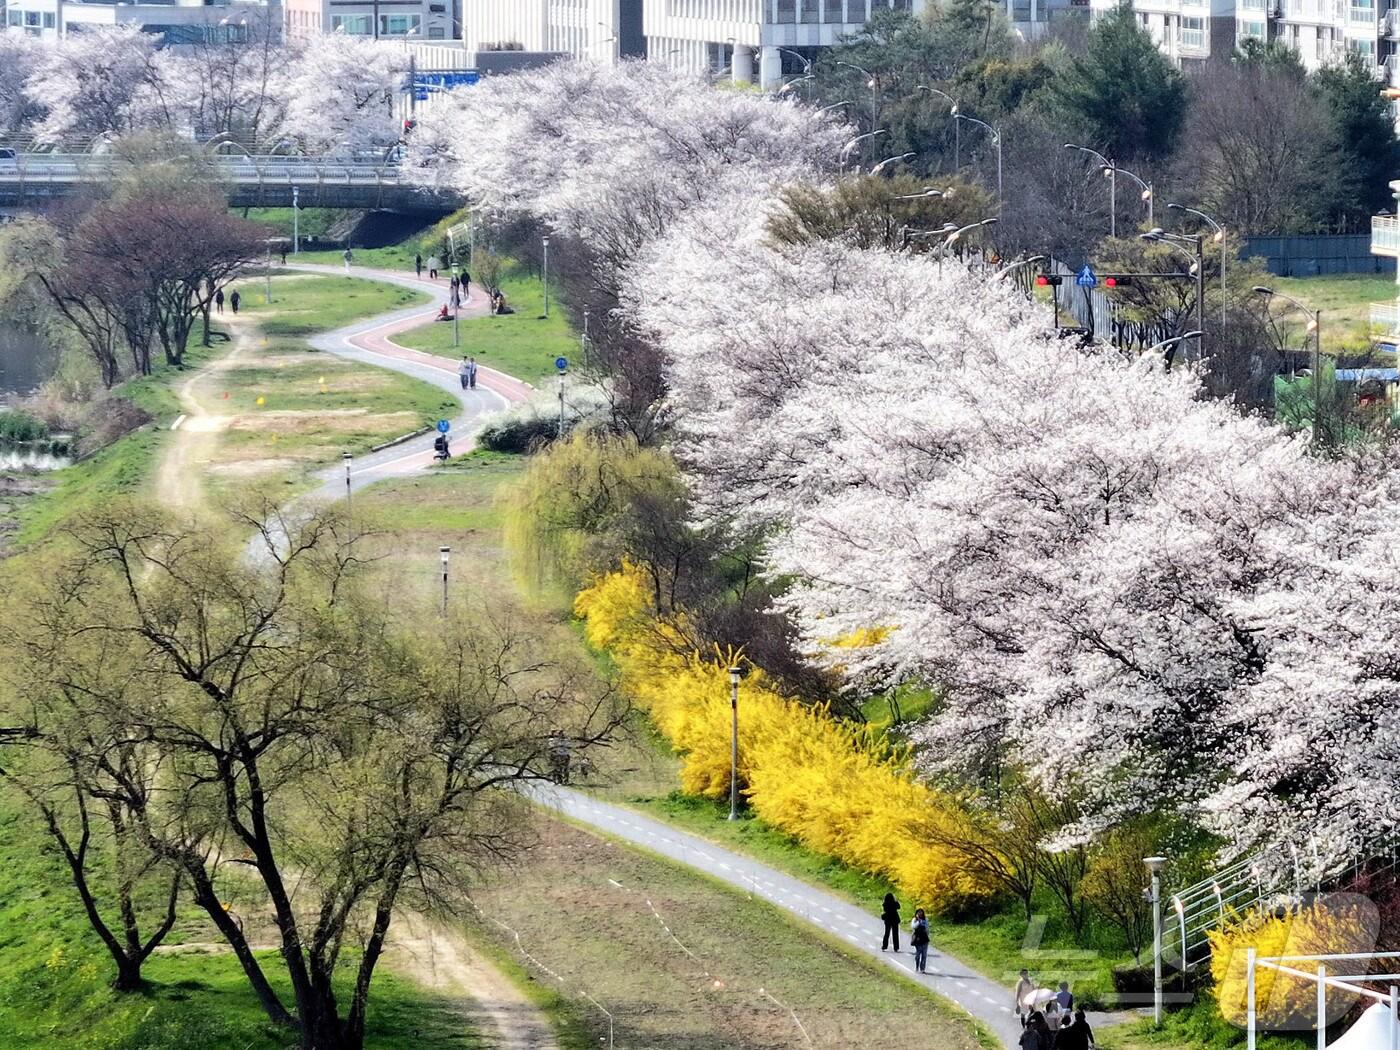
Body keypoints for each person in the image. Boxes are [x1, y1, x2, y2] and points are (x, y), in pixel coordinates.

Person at [910, 908, 930, 974]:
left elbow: (927, 928)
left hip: (924, 939)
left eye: (921, 912)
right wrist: (918, 921)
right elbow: (913, 926)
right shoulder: (914, 919)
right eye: (918, 912)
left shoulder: (925, 920)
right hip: (917, 939)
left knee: (924, 955)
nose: (920, 914)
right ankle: (917, 966)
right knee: (918, 954)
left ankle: (922, 968)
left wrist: (927, 935)